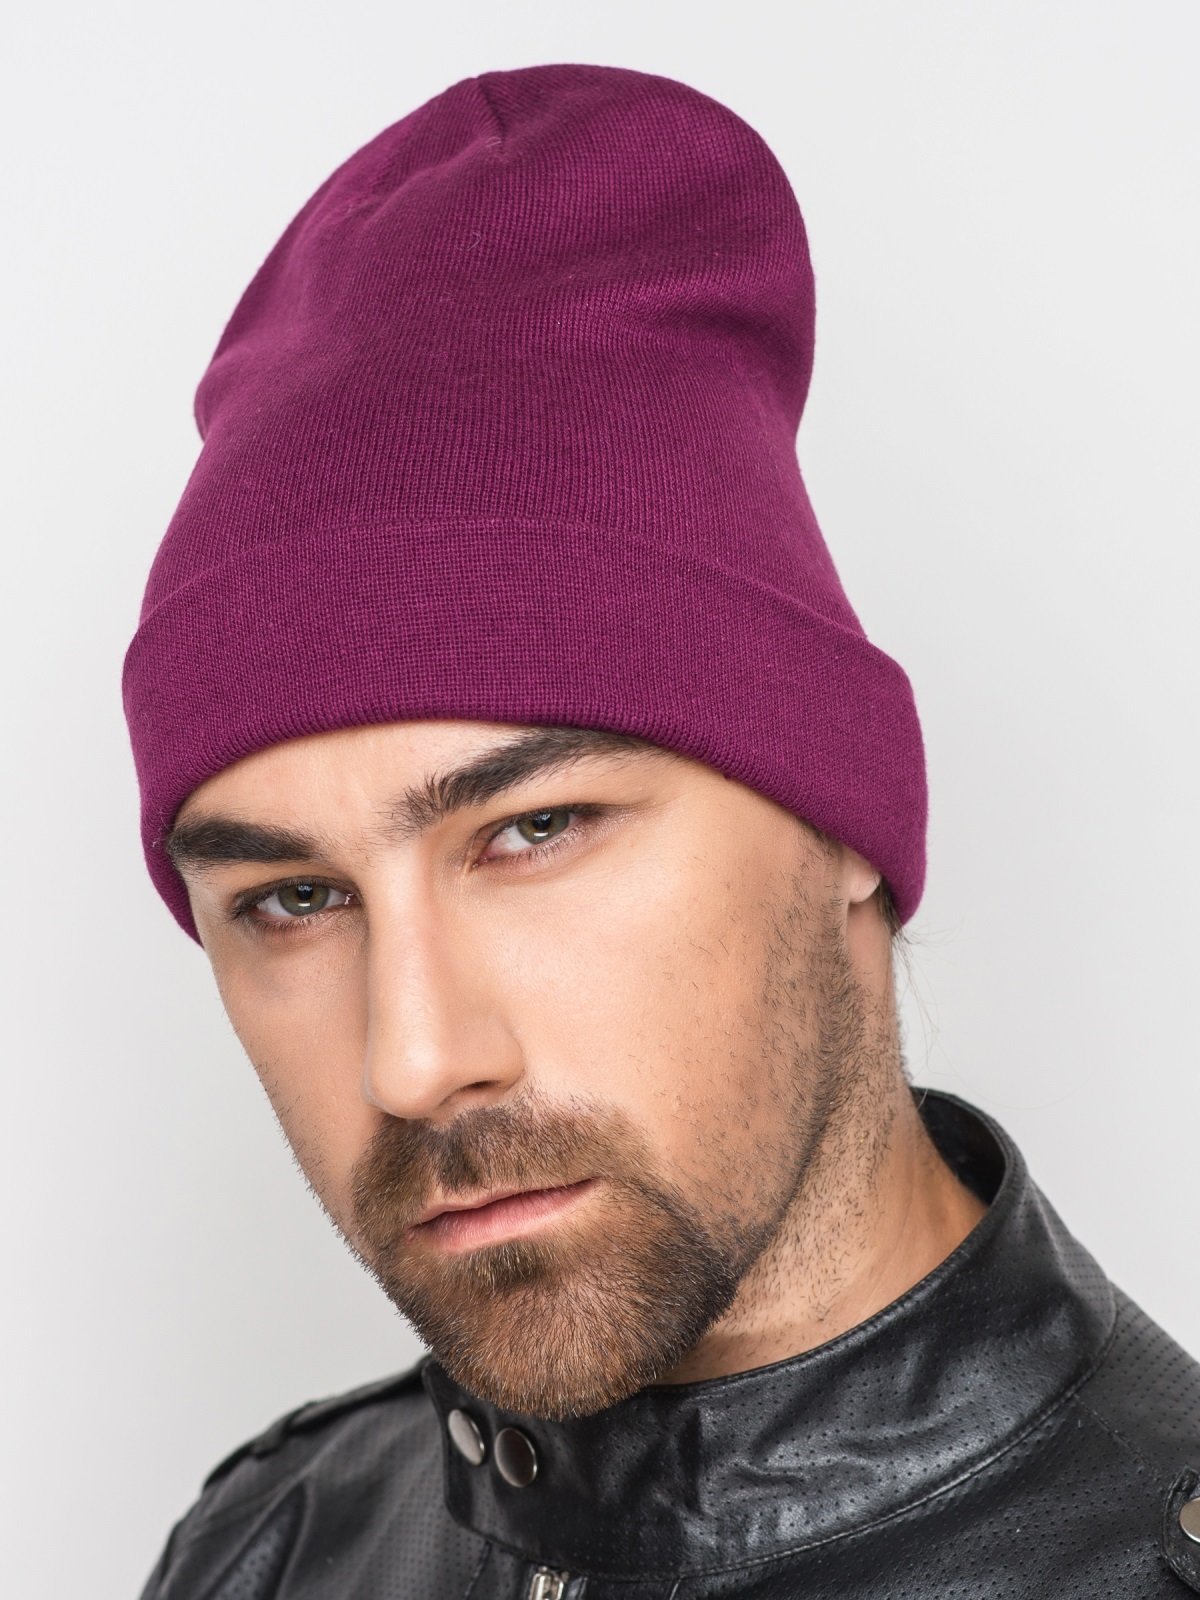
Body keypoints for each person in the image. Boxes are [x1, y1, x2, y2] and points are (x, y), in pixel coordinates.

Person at [123, 62, 1200, 1600]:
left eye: (533, 829)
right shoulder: (272, 1547)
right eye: (293, 900)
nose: (414, 1062)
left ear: (840, 820)